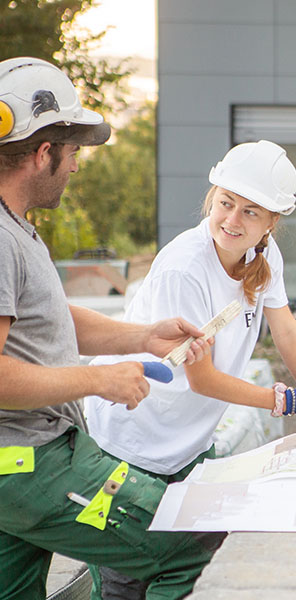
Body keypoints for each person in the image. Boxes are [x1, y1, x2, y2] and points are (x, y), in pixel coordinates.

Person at [83, 139, 296, 597]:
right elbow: (201, 380)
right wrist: (285, 399)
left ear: (271, 222)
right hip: (129, 442)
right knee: (127, 580)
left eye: (251, 211)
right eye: (226, 203)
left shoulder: (263, 259)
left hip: (186, 446)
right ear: (213, 197)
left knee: (197, 566)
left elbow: (284, 327)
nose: (232, 219)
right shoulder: (184, 269)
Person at [0, 57, 220, 600]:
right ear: (44, 151)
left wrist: (141, 337)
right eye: (73, 152)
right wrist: (99, 380)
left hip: (21, 466)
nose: (76, 166)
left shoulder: (16, 228)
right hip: (30, 464)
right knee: (187, 543)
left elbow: (45, 320)